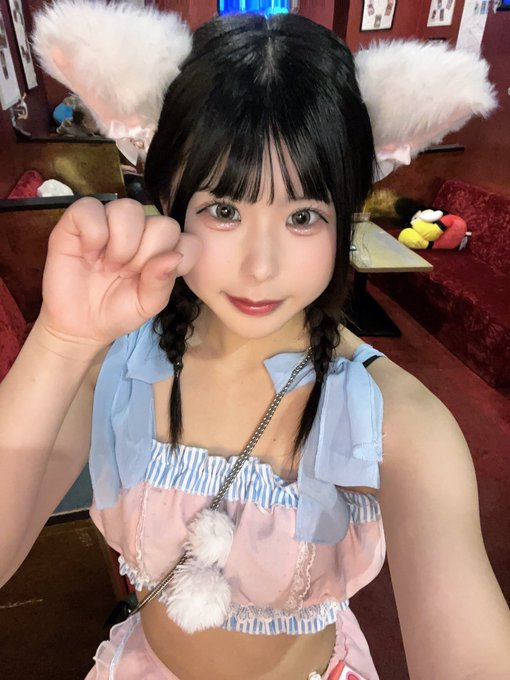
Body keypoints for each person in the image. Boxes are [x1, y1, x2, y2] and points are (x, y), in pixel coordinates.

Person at [1, 11, 510, 680]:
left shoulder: (398, 424)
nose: (260, 267)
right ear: (169, 198)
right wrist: (62, 339)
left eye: (303, 216)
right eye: (224, 210)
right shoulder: (116, 366)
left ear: (346, 216)